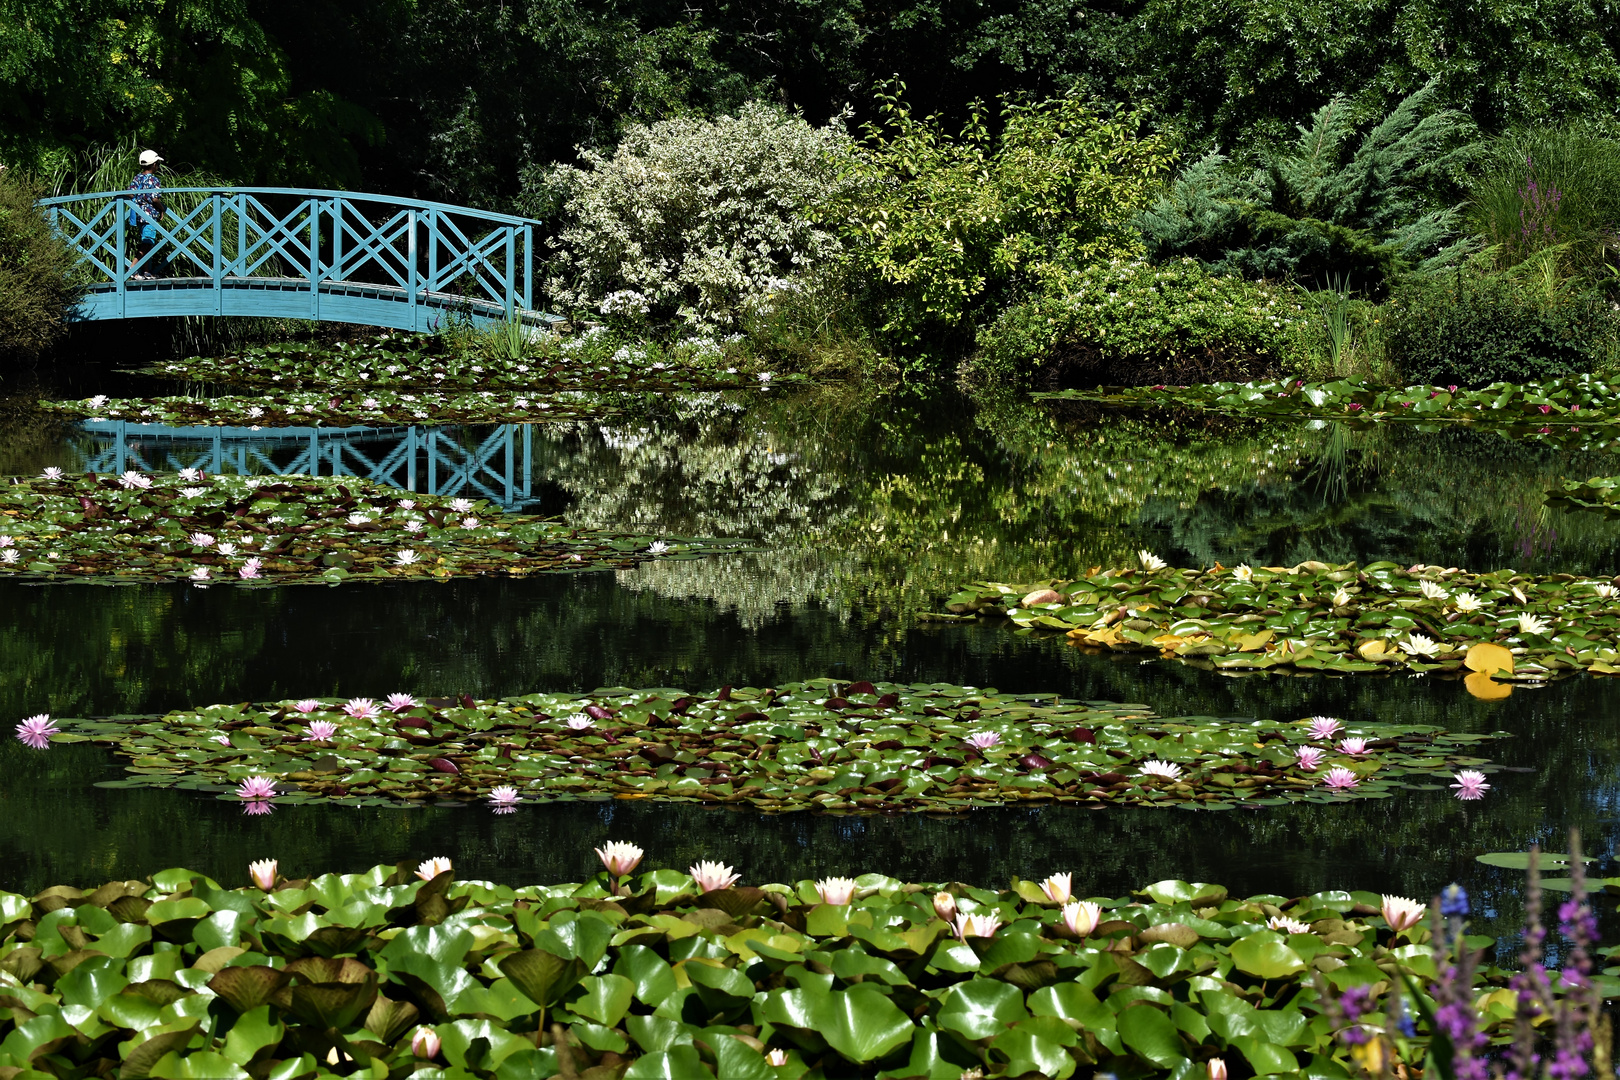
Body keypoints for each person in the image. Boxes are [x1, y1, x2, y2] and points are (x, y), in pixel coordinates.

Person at [128, 150, 165, 279]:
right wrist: (162, 209)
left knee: (147, 242)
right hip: (149, 217)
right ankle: (132, 268)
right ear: (154, 164)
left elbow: (131, 193)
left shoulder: (137, 177)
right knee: (147, 242)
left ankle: (146, 271)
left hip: (138, 215)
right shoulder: (154, 180)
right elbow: (155, 198)